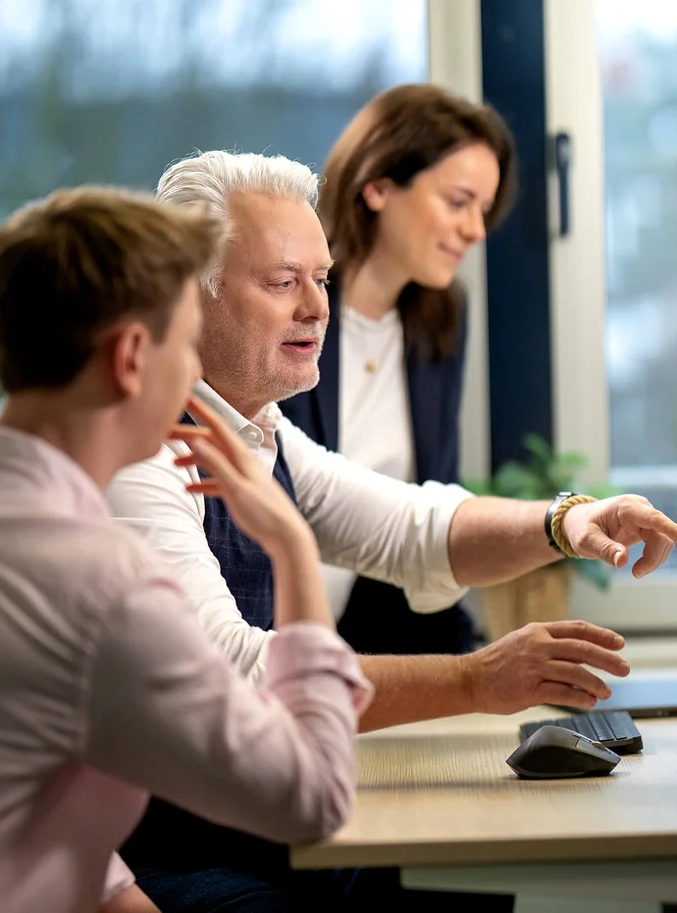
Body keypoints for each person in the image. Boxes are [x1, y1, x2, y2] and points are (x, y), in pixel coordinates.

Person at [105, 148, 677, 912]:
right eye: (283, 283)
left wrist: (567, 520)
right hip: (171, 856)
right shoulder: (142, 456)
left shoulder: (256, 432)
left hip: (261, 820)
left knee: (462, 879)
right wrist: (476, 680)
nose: (316, 309)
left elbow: (414, 527)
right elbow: (236, 681)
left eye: (320, 279)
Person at [0, 187, 375, 913]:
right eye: (186, 345)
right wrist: (290, 545)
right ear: (131, 358)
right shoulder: (105, 586)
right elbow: (314, 797)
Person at [279, 83, 516, 655]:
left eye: (483, 210)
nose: (477, 231)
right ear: (379, 186)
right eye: (459, 202)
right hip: (266, 636)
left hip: (366, 643)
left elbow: (424, 508)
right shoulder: (285, 305)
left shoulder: (441, 317)